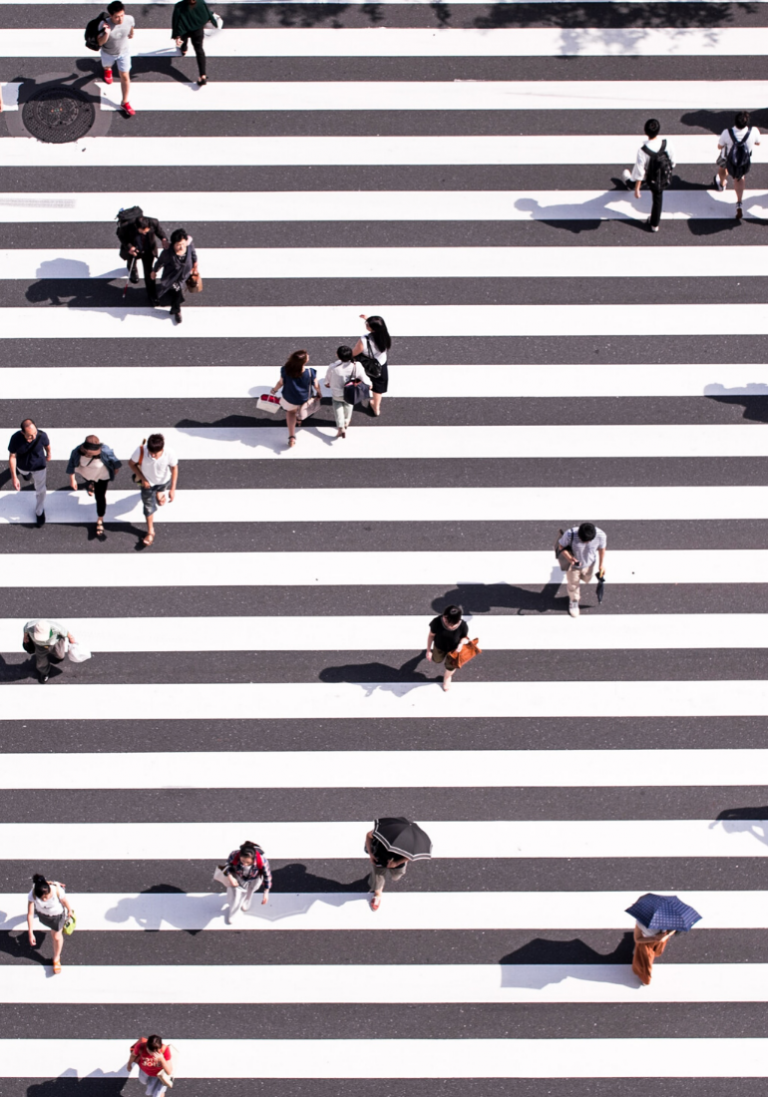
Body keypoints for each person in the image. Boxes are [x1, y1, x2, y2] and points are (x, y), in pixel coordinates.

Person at [621, 118, 675, 233]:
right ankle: (654, 224)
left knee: (639, 176)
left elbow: (640, 172)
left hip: (650, 176)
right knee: (658, 200)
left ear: (646, 132)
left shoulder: (643, 151)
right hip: (662, 177)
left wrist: (637, 189)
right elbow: (672, 160)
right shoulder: (667, 143)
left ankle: (630, 183)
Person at [128, 433, 179, 548]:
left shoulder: (169, 453)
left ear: (162, 448)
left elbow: (174, 468)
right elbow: (131, 464)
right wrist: (143, 479)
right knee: (148, 506)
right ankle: (150, 532)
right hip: (148, 484)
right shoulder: (141, 450)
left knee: (160, 498)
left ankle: (160, 494)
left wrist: (172, 489)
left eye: (155, 454)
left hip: (164, 481)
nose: (152, 456)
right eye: (150, 453)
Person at [66, 435, 122, 539]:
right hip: (87, 474)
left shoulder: (104, 450)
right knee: (89, 480)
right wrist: (72, 479)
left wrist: (115, 469)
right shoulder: (77, 451)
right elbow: (71, 464)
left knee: (100, 497)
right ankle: (91, 484)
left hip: (102, 477)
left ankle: (100, 518)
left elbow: (116, 462)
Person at [714, 110, 761, 221]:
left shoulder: (727, 133)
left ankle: (722, 183)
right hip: (743, 161)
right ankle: (739, 202)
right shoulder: (753, 131)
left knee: (722, 168)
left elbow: (719, 147)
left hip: (728, 159)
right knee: (739, 178)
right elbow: (758, 142)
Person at [270, 350, 320, 448]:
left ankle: (292, 436)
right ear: (304, 362)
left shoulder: (285, 370)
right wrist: (319, 393)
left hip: (289, 397)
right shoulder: (310, 372)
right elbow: (316, 385)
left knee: (291, 412)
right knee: (302, 408)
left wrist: (274, 390)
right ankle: (300, 418)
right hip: (304, 397)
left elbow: (281, 382)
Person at [557, 522, 607, 618]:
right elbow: (561, 546)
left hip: (590, 563)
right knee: (573, 584)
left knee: (587, 579)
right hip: (573, 566)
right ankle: (574, 601)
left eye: (588, 541)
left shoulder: (601, 535)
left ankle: (576, 589)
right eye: (582, 540)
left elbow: (602, 549)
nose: (585, 543)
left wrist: (601, 565)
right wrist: (570, 558)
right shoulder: (569, 534)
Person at [7, 418, 51, 527]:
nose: (34, 437)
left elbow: (47, 445)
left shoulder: (42, 435)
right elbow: (12, 457)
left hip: (39, 467)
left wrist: (49, 454)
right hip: (23, 466)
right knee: (25, 476)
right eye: (30, 435)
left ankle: (39, 512)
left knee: (41, 490)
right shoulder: (16, 438)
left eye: (35, 433)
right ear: (23, 433)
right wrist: (14, 477)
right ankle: (25, 475)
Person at [27, 873, 74, 973]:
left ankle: (56, 959)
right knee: (54, 934)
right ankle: (55, 882)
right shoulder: (33, 893)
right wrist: (30, 933)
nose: (44, 900)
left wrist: (69, 910)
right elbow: (30, 914)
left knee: (56, 936)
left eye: (46, 897)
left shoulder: (57, 891)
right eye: (42, 898)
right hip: (43, 915)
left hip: (57, 916)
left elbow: (64, 901)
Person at [151, 228, 199, 324]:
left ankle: (175, 307)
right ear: (173, 244)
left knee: (177, 290)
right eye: (178, 245)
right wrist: (154, 271)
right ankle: (176, 310)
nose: (181, 247)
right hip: (172, 277)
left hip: (184, 275)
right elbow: (160, 262)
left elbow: (193, 255)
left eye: (183, 244)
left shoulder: (189, 246)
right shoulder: (168, 253)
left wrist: (195, 266)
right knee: (177, 291)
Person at [97, 0, 136, 118]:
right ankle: (107, 70)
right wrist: (107, 33)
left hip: (124, 52)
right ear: (110, 16)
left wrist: (131, 34)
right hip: (108, 53)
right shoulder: (103, 25)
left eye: (122, 15)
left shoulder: (129, 19)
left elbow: (131, 27)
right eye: (117, 17)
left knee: (125, 75)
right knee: (107, 65)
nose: (120, 19)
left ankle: (125, 102)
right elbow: (100, 42)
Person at [119, 215, 168, 300]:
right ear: (137, 227)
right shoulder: (127, 226)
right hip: (134, 249)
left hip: (148, 251)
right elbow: (121, 235)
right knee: (132, 261)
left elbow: (159, 231)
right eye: (143, 231)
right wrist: (129, 247)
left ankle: (151, 294)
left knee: (148, 271)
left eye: (147, 231)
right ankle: (132, 269)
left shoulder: (153, 222)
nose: (145, 233)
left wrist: (164, 239)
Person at [222, 840, 272, 924]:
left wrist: (266, 891)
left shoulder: (262, 861)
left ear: (254, 859)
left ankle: (247, 901)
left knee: (251, 890)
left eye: (248, 862)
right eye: (242, 861)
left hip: (255, 878)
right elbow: (227, 866)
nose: (245, 864)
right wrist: (231, 877)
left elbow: (267, 875)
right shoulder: (234, 855)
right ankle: (233, 913)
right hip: (239, 877)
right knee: (236, 896)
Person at [323, 345, 366, 439]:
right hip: (350, 392)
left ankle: (341, 427)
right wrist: (369, 385)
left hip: (337, 393)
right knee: (349, 405)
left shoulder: (333, 367)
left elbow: (327, 379)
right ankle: (346, 421)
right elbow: (363, 378)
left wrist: (327, 383)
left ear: (338, 356)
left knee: (337, 406)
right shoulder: (356, 365)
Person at [353, 314, 391, 417]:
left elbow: (355, 352)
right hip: (380, 364)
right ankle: (376, 407)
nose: (366, 324)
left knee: (358, 378)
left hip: (365, 364)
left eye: (367, 324)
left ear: (371, 328)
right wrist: (368, 319)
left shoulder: (364, 340)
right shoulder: (385, 336)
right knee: (378, 386)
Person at [426, 604, 470, 692]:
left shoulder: (463, 625)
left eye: (448, 622)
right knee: (437, 660)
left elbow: (464, 637)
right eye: (445, 618)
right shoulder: (437, 622)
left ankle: (447, 678)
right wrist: (428, 650)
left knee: (451, 666)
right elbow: (431, 635)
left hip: (454, 650)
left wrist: (461, 644)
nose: (445, 621)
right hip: (439, 647)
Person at [172, 0, 218, 85]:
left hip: (185, 30)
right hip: (198, 31)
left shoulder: (179, 6)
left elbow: (176, 22)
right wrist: (213, 21)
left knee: (184, 39)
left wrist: (177, 36)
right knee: (199, 50)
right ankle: (202, 75)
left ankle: (184, 49)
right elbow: (206, 13)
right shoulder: (201, 3)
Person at [365, 828, 408, 912]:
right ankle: (377, 895)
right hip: (379, 859)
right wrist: (370, 854)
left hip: (397, 862)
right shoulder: (382, 832)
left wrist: (396, 863)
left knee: (396, 877)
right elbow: (368, 835)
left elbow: (410, 856)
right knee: (377, 879)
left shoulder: (408, 841)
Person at [23, 619, 77, 683]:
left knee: (60, 656)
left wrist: (71, 639)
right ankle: (44, 672)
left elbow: (66, 632)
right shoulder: (30, 626)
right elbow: (25, 629)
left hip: (55, 643)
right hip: (39, 645)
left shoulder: (56, 628)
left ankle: (54, 658)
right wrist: (25, 637)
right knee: (41, 661)